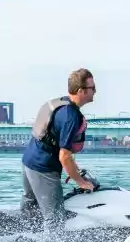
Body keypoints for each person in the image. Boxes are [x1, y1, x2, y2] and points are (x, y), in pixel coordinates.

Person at [21, 68, 96, 231]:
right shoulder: (71, 116)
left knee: (31, 211)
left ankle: (23, 238)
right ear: (81, 91)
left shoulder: (61, 104)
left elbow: (61, 149)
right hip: (43, 168)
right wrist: (81, 182)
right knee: (55, 219)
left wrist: (75, 170)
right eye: (93, 88)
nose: (95, 92)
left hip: (29, 161)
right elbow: (64, 156)